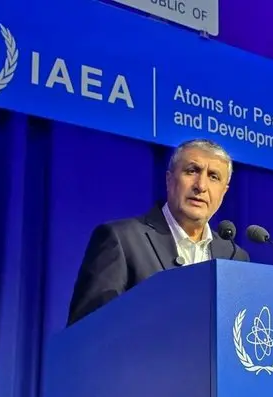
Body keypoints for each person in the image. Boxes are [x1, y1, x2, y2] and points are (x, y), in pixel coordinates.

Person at [67, 139, 250, 326]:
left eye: (213, 177)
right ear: (169, 180)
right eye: (192, 171)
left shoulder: (235, 257)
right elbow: (87, 329)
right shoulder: (121, 239)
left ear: (223, 192)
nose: (201, 186)